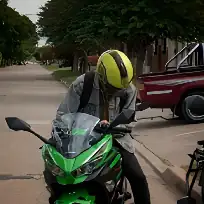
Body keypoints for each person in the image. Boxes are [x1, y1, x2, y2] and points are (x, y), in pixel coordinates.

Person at [53, 50, 151, 204]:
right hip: (82, 139)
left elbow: (129, 117)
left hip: (116, 138)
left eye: (119, 89)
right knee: (60, 174)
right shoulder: (82, 84)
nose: (116, 91)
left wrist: (115, 125)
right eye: (112, 87)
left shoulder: (128, 89)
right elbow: (64, 114)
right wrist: (61, 134)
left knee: (137, 176)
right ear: (101, 75)